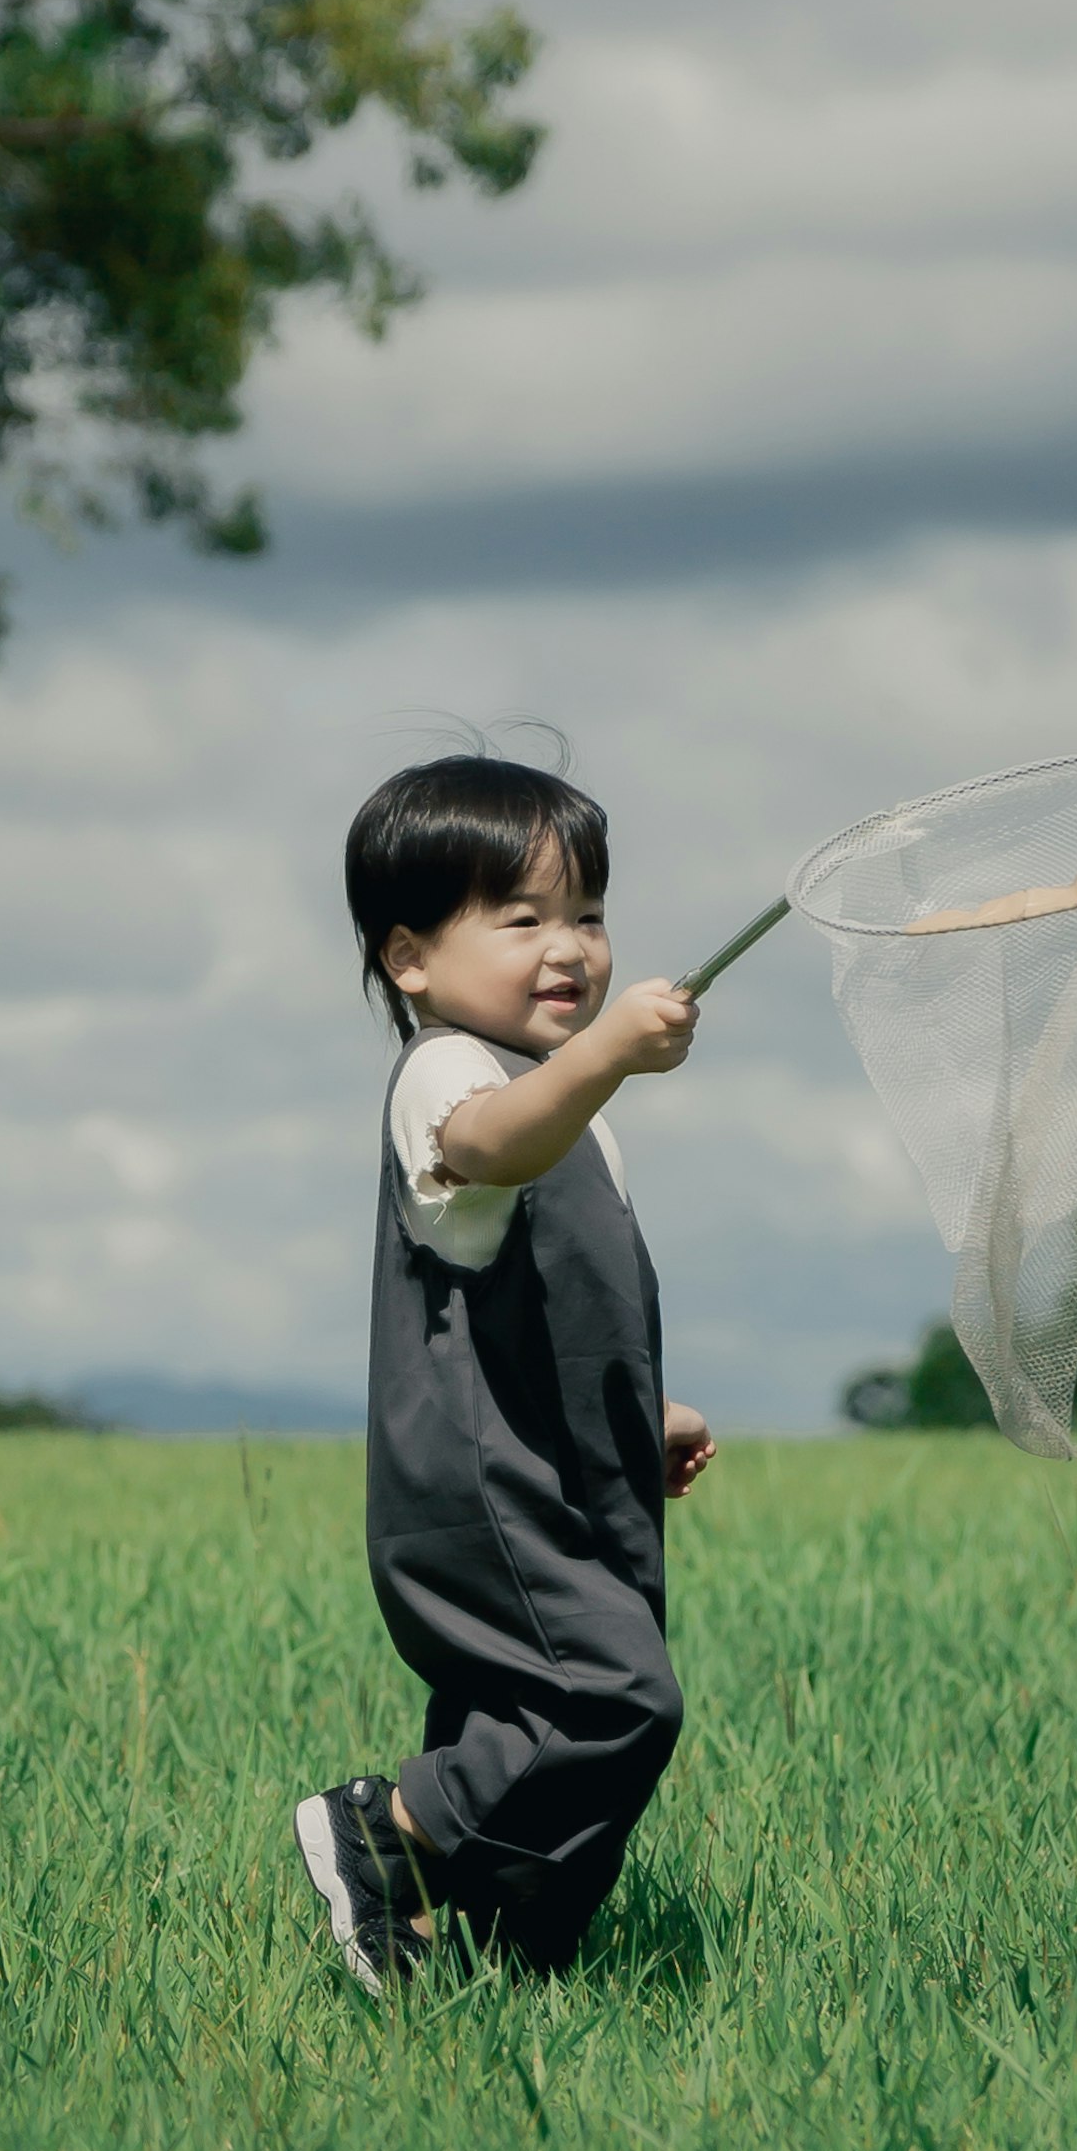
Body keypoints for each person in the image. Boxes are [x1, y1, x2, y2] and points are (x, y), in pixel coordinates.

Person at [294, 757, 715, 1992]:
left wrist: (645, 1413)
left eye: (586, 912)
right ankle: (390, 1832)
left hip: (568, 1475)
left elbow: (559, 1321)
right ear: (409, 958)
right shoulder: (452, 1070)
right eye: (522, 916)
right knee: (615, 1699)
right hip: (483, 1487)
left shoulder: (566, 1107)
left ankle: (478, 1954)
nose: (570, 946)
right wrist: (609, 1060)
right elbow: (486, 1150)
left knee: (532, 1726)